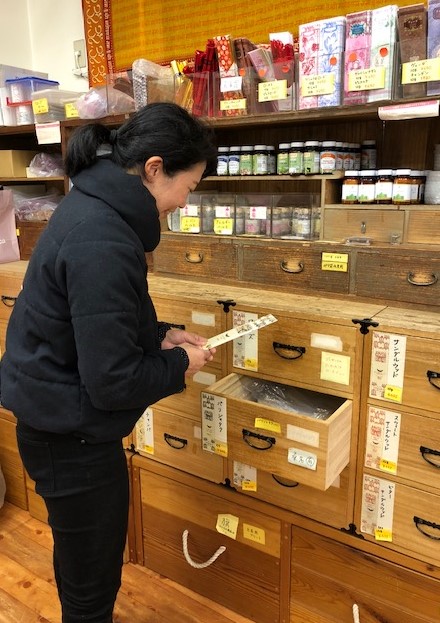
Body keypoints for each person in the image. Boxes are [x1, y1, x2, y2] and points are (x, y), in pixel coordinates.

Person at [0, 102, 218, 622]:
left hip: (57, 415)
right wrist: (180, 365)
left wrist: (161, 336)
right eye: (188, 187)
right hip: (69, 434)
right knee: (92, 577)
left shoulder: (92, 207)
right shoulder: (103, 237)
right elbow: (113, 382)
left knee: (83, 558)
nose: (184, 203)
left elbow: (95, 321)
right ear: (154, 168)